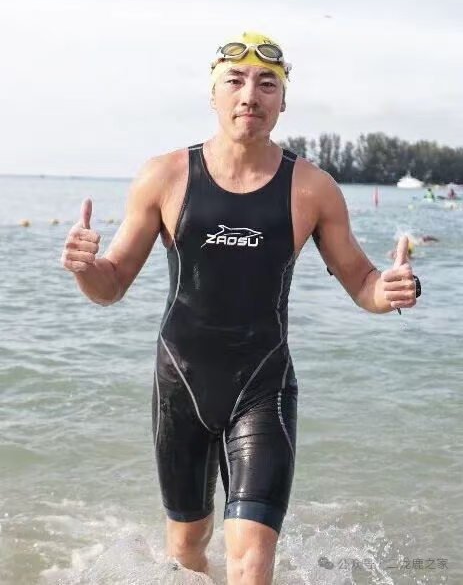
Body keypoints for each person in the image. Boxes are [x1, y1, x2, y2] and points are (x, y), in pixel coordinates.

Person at [61, 31, 420, 585]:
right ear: (214, 94)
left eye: (266, 84)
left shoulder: (312, 188)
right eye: (235, 81)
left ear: (282, 101)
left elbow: (363, 282)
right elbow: (110, 286)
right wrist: (86, 267)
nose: (250, 95)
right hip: (181, 386)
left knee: (251, 557)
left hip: (263, 386)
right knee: (187, 548)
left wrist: (390, 289)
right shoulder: (165, 175)